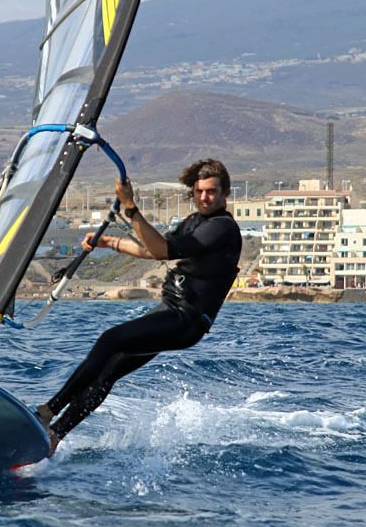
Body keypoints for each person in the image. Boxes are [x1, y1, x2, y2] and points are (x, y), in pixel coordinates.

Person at [37, 158, 241, 455]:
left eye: (211, 192)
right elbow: (152, 249)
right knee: (108, 371)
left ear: (225, 194)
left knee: (111, 340)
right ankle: (54, 436)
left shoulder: (221, 228)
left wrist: (130, 207)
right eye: (199, 191)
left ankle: (48, 410)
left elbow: (162, 251)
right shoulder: (195, 222)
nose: (204, 197)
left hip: (187, 320)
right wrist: (110, 242)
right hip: (169, 312)